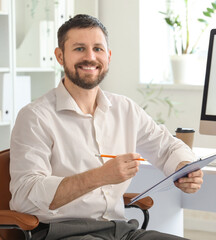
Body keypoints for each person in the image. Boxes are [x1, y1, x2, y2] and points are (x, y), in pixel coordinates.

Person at [9, 14, 203, 240]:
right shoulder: (35, 117)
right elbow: (25, 195)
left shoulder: (125, 109)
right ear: (60, 56)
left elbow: (168, 147)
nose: (90, 57)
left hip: (119, 230)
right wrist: (99, 177)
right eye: (79, 49)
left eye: (98, 49)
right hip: (62, 233)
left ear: (108, 57)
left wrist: (185, 169)